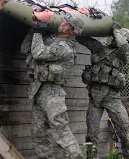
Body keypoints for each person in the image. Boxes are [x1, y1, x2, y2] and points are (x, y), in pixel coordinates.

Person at [20, 13, 85, 158]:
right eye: (64, 21)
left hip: (53, 94)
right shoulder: (50, 39)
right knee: (39, 134)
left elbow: (39, 54)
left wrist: (37, 31)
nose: (63, 24)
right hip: (39, 91)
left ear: (72, 31)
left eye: (67, 24)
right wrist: (33, 29)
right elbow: (25, 49)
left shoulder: (65, 48)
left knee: (61, 132)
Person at [76, 23, 129, 159]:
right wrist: (76, 26)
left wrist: (116, 30)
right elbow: (82, 39)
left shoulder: (123, 54)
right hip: (95, 99)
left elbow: (123, 46)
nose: (117, 39)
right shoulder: (99, 49)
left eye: (121, 37)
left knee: (123, 132)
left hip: (113, 99)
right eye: (116, 37)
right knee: (91, 134)